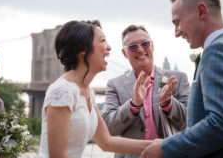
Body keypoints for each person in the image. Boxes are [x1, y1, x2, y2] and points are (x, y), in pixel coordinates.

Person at [141, 0, 223, 158]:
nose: (176, 32)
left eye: (177, 22)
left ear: (201, 11)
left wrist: (166, 147)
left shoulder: (218, 51)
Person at [37, 20, 153, 158]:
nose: (109, 47)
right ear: (83, 49)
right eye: (103, 41)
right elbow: (57, 155)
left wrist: (159, 144)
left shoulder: (88, 91)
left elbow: (107, 142)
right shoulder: (61, 91)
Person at [102, 25, 190, 158]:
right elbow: (109, 128)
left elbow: (191, 123)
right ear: (124, 53)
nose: (140, 49)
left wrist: (169, 104)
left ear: (152, 46)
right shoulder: (115, 85)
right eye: (132, 47)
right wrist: (134, 104)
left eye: (145, 44)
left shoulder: (178, 78)